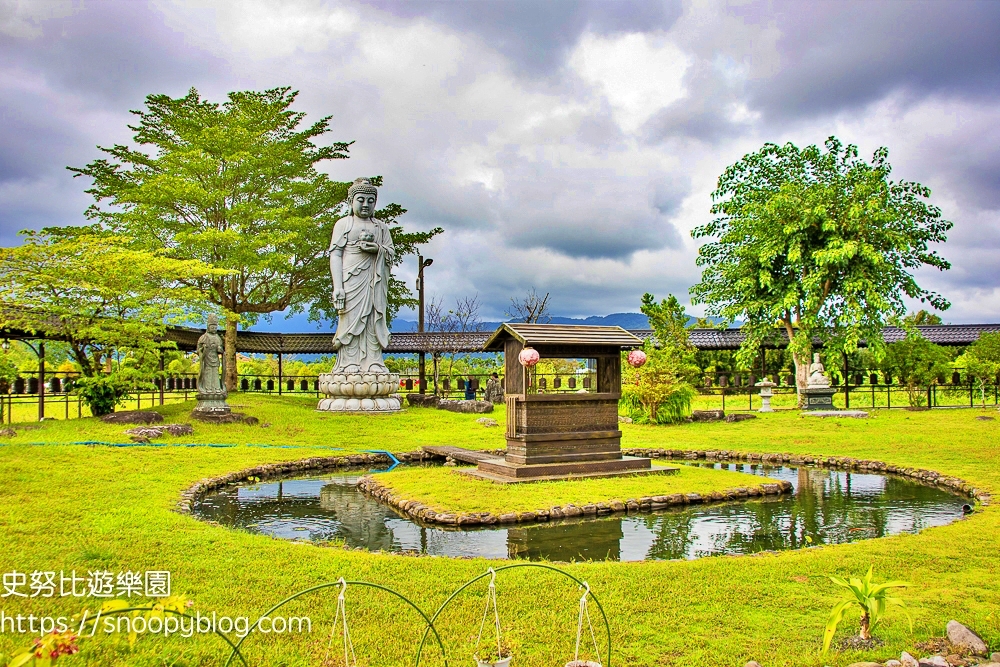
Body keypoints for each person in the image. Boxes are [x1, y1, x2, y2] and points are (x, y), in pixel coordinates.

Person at [329, 178, 395, 373]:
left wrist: (377, 249)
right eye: (361, 199)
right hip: (351, 280)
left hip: (374, 281)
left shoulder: (381, 227)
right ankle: (348, 363)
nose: (366, 204)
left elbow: (390, 252)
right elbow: (336, 254)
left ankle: (373, 361)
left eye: (370, 200)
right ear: (351, 201)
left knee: (373, 318)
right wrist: (338, 287)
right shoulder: (344, 224)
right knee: (349, 319)